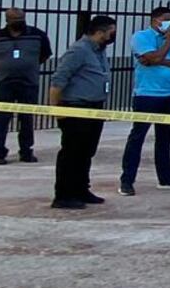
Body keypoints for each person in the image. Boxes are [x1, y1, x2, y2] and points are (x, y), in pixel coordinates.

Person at [47, 15, 118, 209]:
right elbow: (58, 80)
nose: (113, 35)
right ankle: (63, 194)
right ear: (100, 31)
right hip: (77, 107)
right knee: (72, 152)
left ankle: (80, 189)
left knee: (87, 151)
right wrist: (56, 109)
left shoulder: (99, 51)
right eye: (111, 31)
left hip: (94, 107)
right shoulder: (79, 50)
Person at [121, 7, 170, 194]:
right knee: (138, 137)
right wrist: (167, 42)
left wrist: (159, 60)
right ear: (155, 20)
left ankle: (165, 177)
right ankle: (127, 180)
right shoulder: (141, 37)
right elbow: (152, 56)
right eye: (166, 19)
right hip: (146, 94)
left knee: (164, 138)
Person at [0, 7, 52, 165]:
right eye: (15, 20)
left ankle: (26, 151)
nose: (18, 23)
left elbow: (45, 54)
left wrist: (29, 66)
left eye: (20, 19)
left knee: (27, 118)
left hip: (28, 83)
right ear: (7, 21)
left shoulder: (37, 35)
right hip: (4, 83)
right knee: (1, 120)